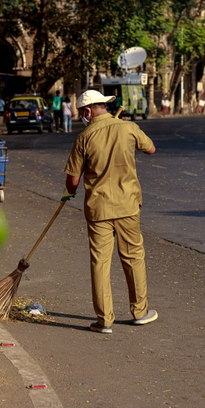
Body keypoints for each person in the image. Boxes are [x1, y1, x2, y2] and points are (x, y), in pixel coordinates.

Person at [63, 90, 157, 334]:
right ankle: (140, 312)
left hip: (98, 208)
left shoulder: (84, 137)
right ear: (103, 106)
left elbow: (72, 181)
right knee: (133, 256)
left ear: (87, 112)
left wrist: (70, 192)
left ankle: (104, 320)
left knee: (100, 262)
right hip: (128, 205)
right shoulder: (128, 128)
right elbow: (150, 149)